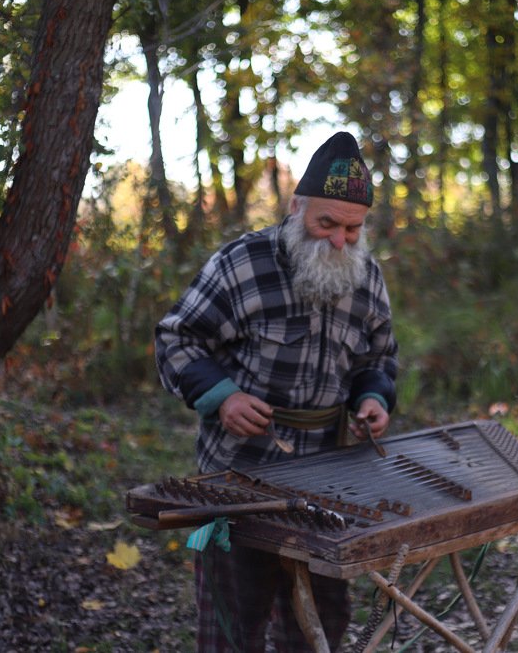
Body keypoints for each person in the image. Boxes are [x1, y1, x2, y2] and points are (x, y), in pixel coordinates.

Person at [154, 131, 398, 652]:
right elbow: (176, 338)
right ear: (296, 206)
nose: (339, 241)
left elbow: (377, 359)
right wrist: (223, 396)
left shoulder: (367, 275)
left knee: (320, 624)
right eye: (326, 223)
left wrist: (373, 400)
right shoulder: (241, 263)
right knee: (231, 624)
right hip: (240, 474)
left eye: (353, 229)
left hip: (331, 485)